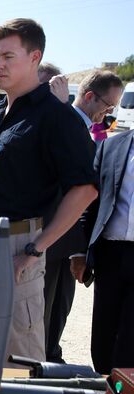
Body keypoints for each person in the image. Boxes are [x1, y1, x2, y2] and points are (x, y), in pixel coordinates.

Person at [0, 19, 98, 361]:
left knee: (18, 355)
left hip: (17, 246)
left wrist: (35, 249)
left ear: (35, 57)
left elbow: (85, 189)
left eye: (8, 56)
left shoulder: (54, 116)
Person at [43, 70, 124, 363]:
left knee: (58, 306)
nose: (109, 112)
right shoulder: (67, 125)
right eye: (108, 105)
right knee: (44, 308)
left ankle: (51, 353)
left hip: (67, 242)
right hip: (53, 238)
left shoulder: (87, 130)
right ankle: (43, 359)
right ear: (89, 96)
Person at [75, 129, 134, 374]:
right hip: (110, 254)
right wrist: (79, 252)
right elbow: (90, 202)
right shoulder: (111, 146)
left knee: (130, 340)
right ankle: (102, 388)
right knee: (103, 334)